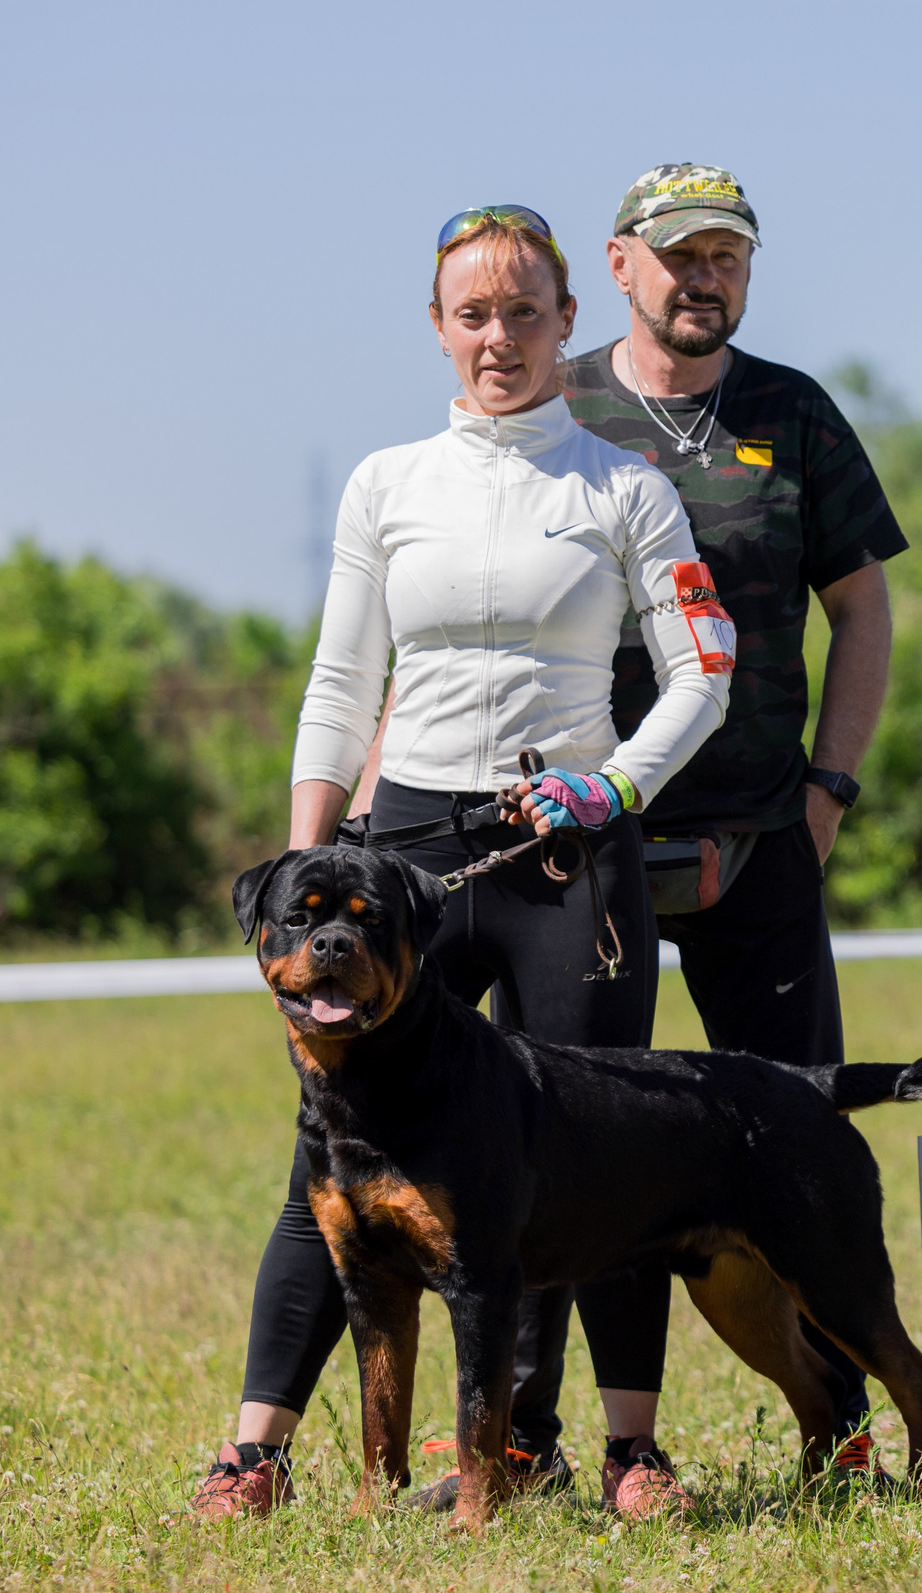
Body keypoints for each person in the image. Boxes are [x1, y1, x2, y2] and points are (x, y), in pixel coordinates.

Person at [188, 205, 732, 1521]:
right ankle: (255, 1453)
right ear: (438, 329)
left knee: (610, 1154)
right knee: (333, 1170)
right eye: (472, 314)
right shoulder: (387, 484)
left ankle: (620, 1450)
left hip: (569, 853)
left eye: (524, 311)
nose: (499, 337)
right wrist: (304, 867)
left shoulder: (626, 485)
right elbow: (340, 683)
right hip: (401, 857)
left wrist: (613, 788)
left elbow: (706, 672)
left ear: (566, 322)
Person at [532, 161, 907, 1487]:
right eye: (680, 253)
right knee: (579, 1146)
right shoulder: (553, 397)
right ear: (622, 264)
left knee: (803, 1142)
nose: (706, 276)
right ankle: (565, 1443)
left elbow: (863, 609)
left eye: (729, 256)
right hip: (585, 848)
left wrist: (827, 792)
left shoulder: (794, 413)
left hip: (761, 843)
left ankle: (848, 1433)